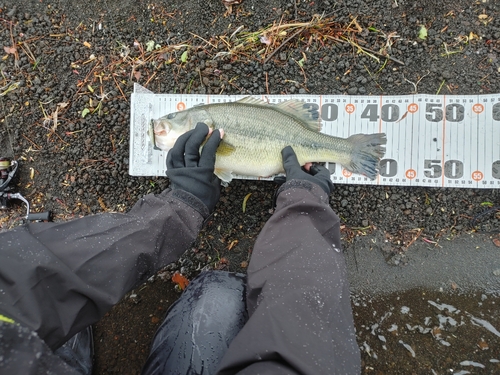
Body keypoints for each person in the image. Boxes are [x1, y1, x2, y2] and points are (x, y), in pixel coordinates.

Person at [0, 123, 360, 374]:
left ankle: (51, 343)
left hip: (18, 343)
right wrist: (305, 202)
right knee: (220, 294)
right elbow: (310, 339)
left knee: (47, 305)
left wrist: (179, 206)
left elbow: (28, 273)